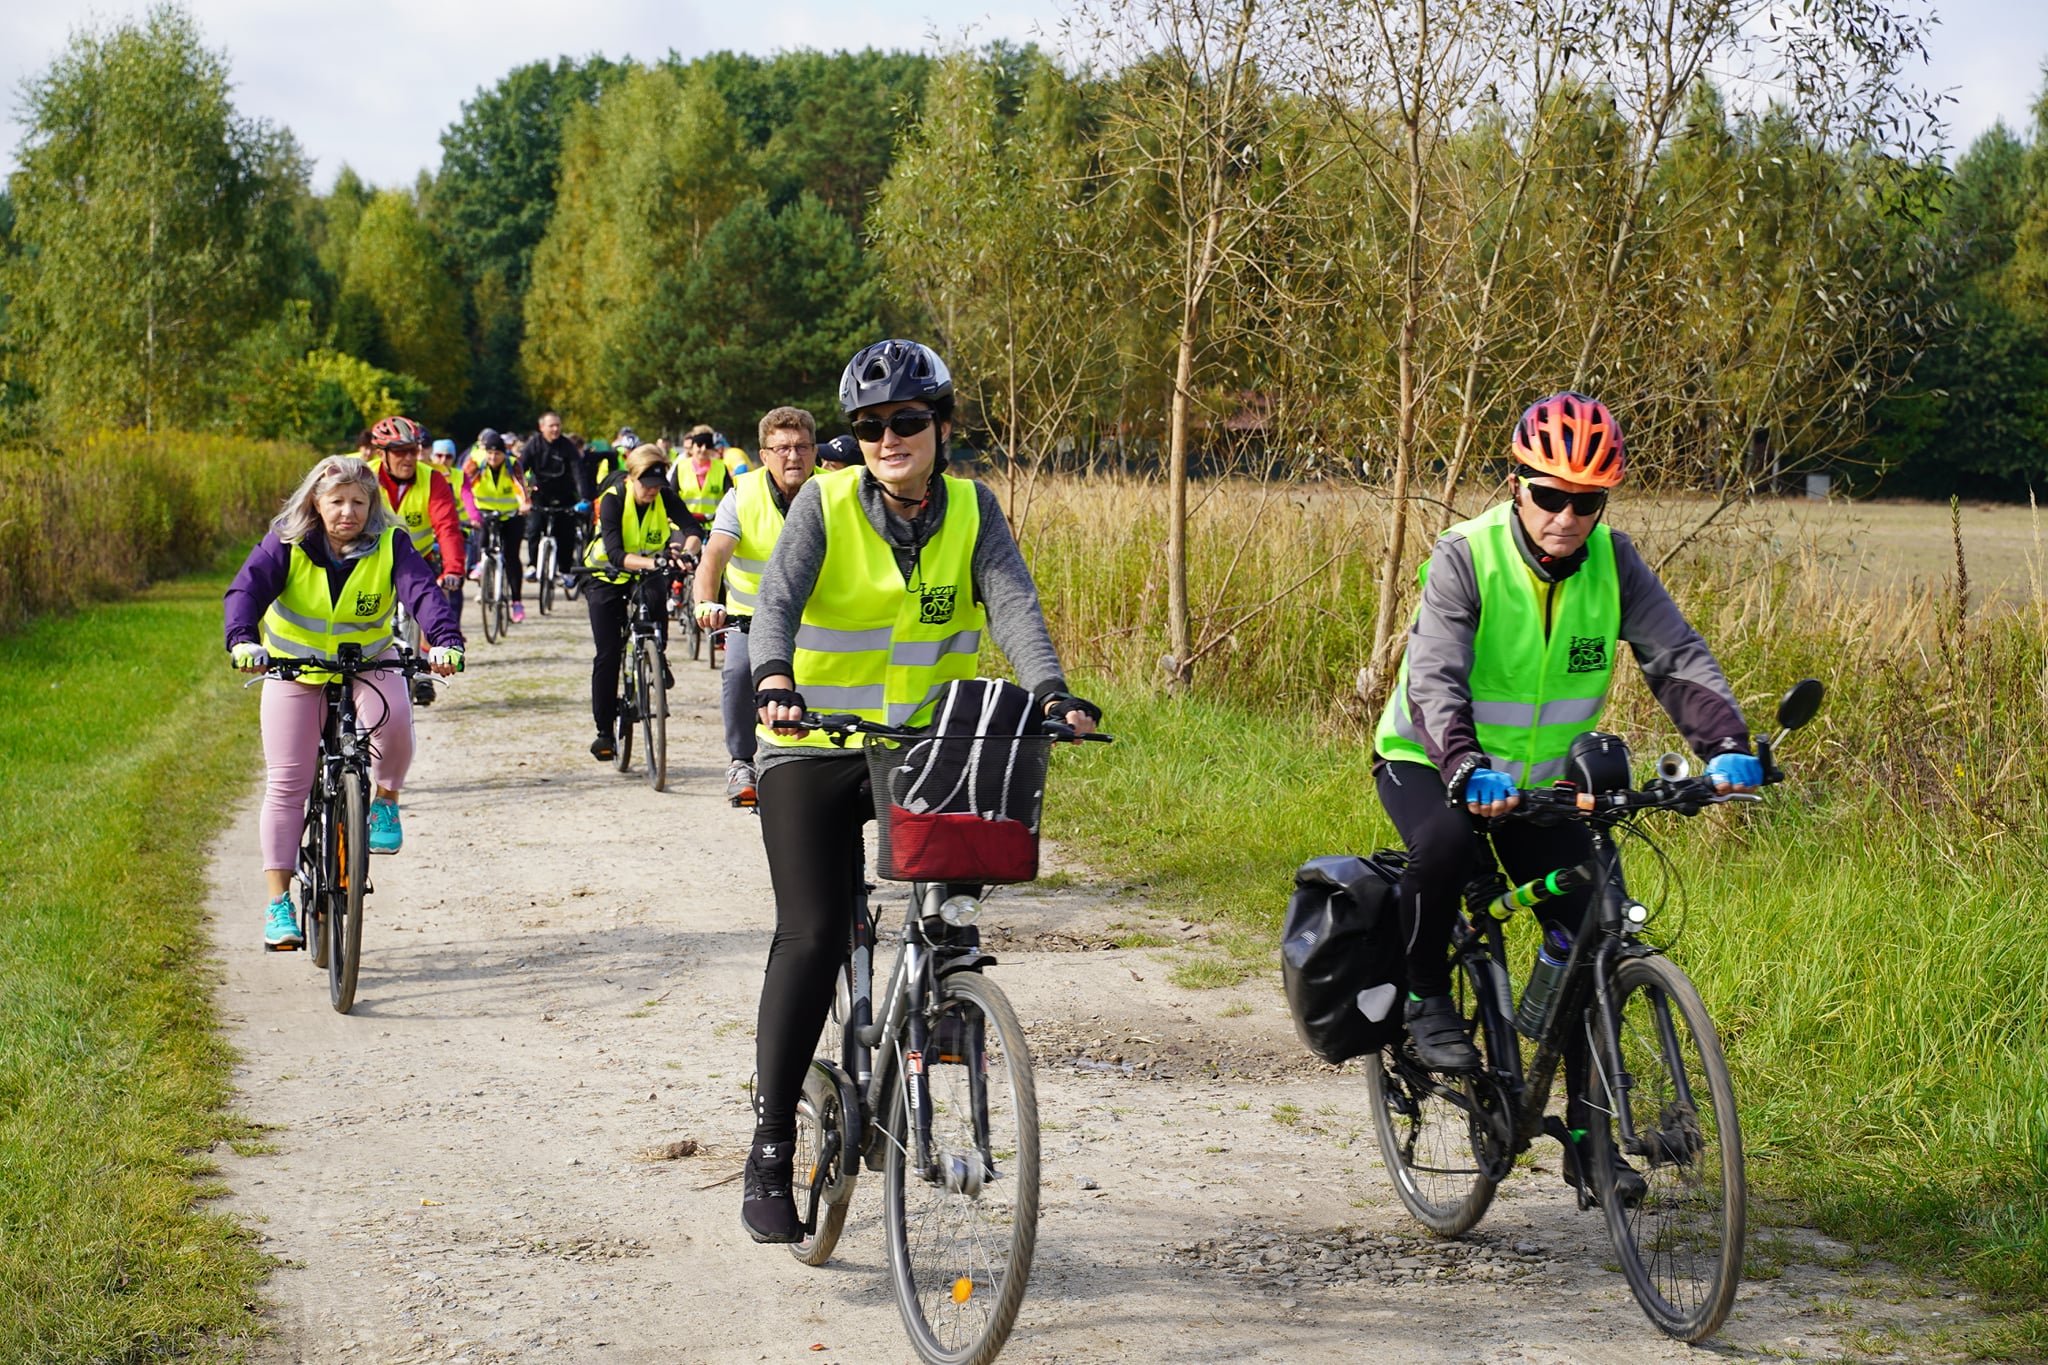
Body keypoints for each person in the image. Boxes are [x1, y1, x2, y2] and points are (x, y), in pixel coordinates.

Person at [740, 339, 1102, 1243]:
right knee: (814, 930)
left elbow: (1012, 603)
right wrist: (776, 679)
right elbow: (775, 603)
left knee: (947, 916)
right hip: (812, 743)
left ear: (942, 426)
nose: (887, 437)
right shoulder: (823, 504)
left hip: (922, 749)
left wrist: (1050, 690)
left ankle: (938, 1022)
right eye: (869, 425)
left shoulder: (976, 511)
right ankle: (771, 1144)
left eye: (906, 420)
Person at [1371, 390, 1760, 1200]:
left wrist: (1724, 747)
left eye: (1587, 500)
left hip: (1542, 788)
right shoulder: (1466, 555)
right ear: (1517, 484)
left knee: (1590, 926)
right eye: (1550, 495)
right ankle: (1424, 994)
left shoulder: (1615, 563)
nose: (1567, 516)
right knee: (1441, 846)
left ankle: (1588, 1144)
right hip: (1431, 758)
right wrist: (1464, 765)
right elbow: (1437, 673)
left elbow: (1675, 654)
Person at [223, 456, 463, 949]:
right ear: (316, 501)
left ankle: (385, 803)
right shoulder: (287, 543)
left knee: (394, 718)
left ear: (371, 504)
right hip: (295, 667)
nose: (348, 512)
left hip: (370, 659)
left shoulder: (390, 544)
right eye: (337, 502)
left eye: (358, 502)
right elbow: (246, 590)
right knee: (288, 783)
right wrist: (243, 640)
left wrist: (445, 641)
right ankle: (278, 905)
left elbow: (423, 593)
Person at [693, 406, 819, 806]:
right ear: (763, 455)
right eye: (781, 448)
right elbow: (713, 556)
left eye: (801, 446)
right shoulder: (742, 496)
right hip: (752, 618)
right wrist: (705, 602)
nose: (793, 456)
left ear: (815, 451)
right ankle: (741, 760)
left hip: (822, 617)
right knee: (739, 671)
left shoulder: (837, 492)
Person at [583, 445, 703, 761]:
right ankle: (605, 732)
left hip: (647, 573)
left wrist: (688, 552)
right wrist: (656, 563)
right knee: (607, 654)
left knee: (655, 605)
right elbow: (616, 554)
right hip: (606, 576)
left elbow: (692, 528)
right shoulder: (612, 498)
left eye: (657, 485)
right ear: (632, 477)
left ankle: (656, 655)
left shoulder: (662, 493)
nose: (652, 491)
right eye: (646, 484)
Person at [367, 418, 466, 703]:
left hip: (416, 560)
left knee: (425, 607)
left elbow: (446, 526)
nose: (409, 458)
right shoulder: (365, 479)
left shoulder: (432, 478)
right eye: (400, 451)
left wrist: (453, 569)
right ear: (380, 454)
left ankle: (421, 673)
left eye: (413, 450)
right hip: (370, 561)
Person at [521, 410, 595, 585]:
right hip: (541, 494)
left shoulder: (567, 446)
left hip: (564, 495)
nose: (555, 429)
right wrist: (522, 495)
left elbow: (579, 472)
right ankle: (532, 565)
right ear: (541, 427)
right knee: (533, 528)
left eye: (558, 425)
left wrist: (584, 498)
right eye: (551, 426)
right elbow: (520, 468)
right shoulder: (533, 445)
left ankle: (565, 570)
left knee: (566, 533)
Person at [467, 429, 532, 620]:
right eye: (490, 453)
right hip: (485, 513)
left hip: (511, 515)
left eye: (497, 453)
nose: (493, 457)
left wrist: (525, 503)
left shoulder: (513, 465)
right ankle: (481, 564)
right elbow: (463, 485)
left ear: (504, 454)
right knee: (483, 539)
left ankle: (517, 602)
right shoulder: (477, 464)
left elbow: (520, 486)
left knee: (512, 557)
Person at [673, 426, 727, 550]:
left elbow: (730, 495)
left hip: (713, 526)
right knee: (684, 561)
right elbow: (671, 494)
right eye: (699, 445)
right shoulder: (681, 466)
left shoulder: (720, 467)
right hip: (685, 526)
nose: (703, 449)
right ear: (692, 447)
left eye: (708, 446)